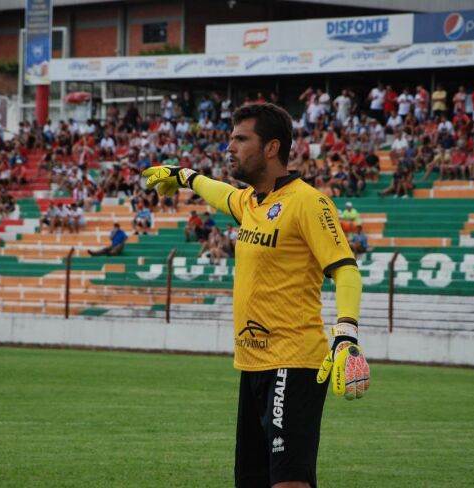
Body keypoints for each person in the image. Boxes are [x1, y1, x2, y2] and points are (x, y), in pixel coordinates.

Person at [143, 103, 369, 488]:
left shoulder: (309, 203)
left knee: (288, 480)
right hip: (252, 364)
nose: (229, 147)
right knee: (252, 480)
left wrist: (345, 334)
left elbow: (345, 268)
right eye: (230, 138)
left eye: (240, 138)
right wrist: (184, 175)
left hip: (295, 362)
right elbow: (218, 193)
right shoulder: (250, 203)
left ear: (271, 148)